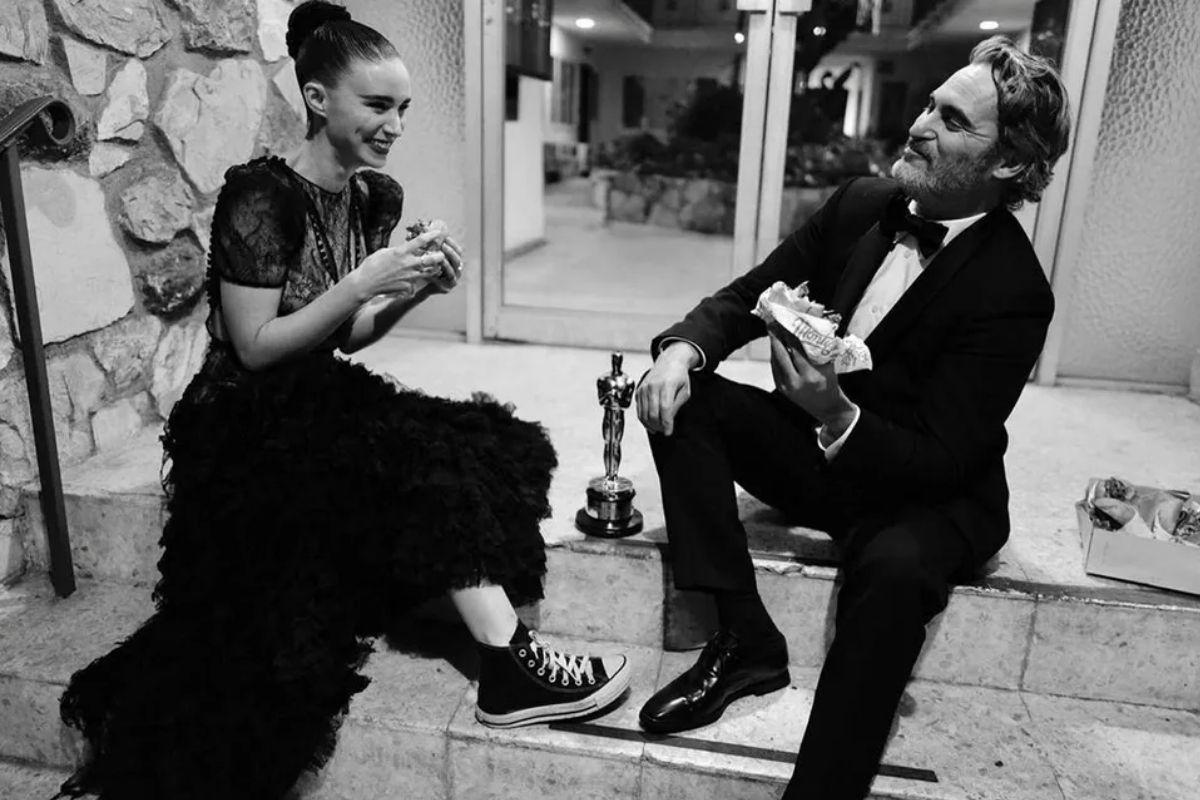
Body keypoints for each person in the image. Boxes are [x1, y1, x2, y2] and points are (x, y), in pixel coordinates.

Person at [55, 3, 630, 798]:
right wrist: (365, 281)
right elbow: (255, 346)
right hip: (244, 421)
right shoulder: (259, 196)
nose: (396, 126)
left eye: (404, 108)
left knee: (477, 442)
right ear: (319, 99)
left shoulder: (373, 197)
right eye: (378, 105)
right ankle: (509, 670)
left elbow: (351, 337)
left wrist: (411, 287)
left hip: (320, 394)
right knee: (414, 466)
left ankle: (494, 650)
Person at [635, 36, 1070, 799]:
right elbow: (745, 296)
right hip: (823, 451)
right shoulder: (862, 204)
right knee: (686, 400)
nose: (920, 125)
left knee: (895, 573)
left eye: (953, 121)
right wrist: (681, 352)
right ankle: (745, 638)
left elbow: (946, 455)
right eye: (929, 105)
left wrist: (835, 411)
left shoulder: (1016, 290)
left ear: (1008, 162)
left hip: (929, 491)